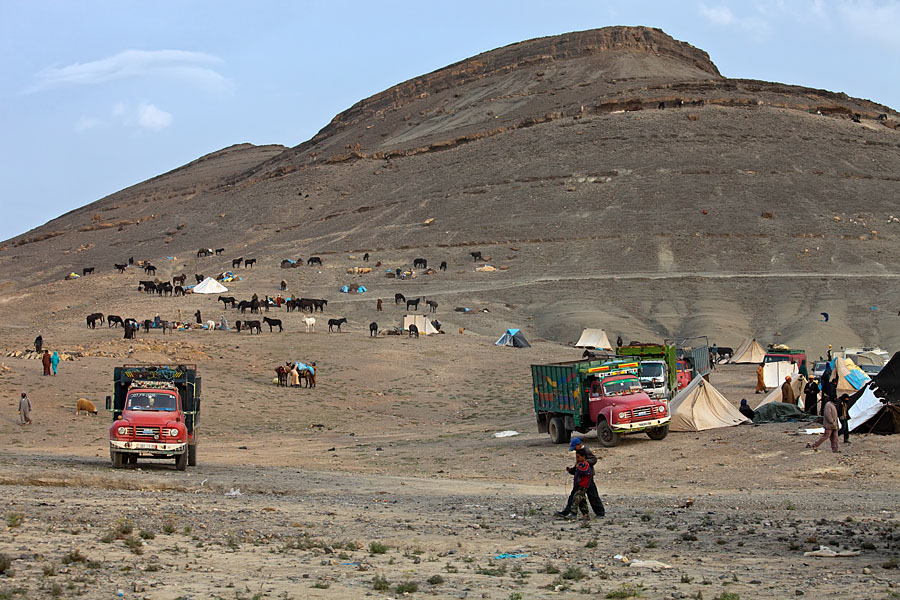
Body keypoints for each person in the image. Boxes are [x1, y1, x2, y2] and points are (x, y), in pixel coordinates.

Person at [557, 437, 605, 518]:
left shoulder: (586, 450)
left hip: (587, 477)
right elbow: (577, 466)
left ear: (579, 445)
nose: (575, 450)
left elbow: (594, 459)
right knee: (575, 495)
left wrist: (585, 463)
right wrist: (572, 470)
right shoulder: (579, 452)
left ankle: (600, 513)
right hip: (580, 478)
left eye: (575, 447)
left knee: (592, 495)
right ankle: (567, 511)